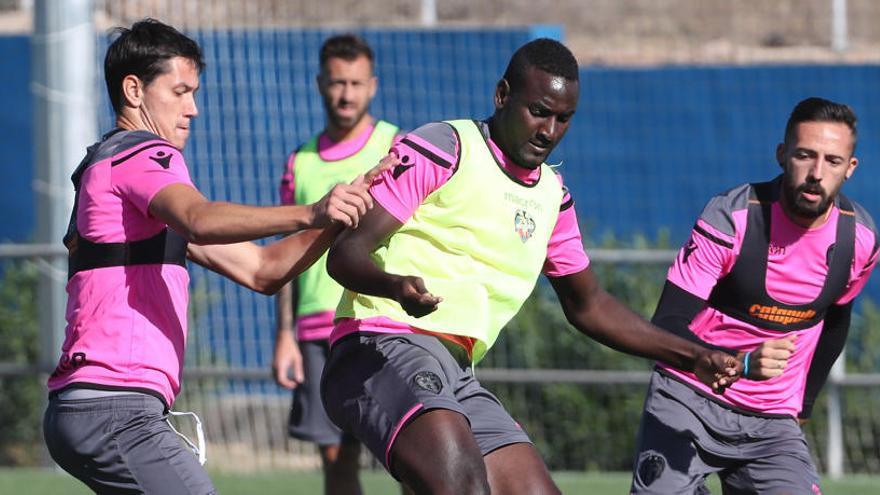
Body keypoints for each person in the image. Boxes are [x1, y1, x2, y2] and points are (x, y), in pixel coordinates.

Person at [321, 38, 742, 494]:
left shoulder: (552, 198)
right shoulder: (446, 147)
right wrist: (395, 285)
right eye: (539, 111)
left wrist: (692, 355)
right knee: (461, 483)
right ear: (503, 95)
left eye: (564, 118)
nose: (549, 130)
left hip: (456, 372)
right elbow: (345, 253)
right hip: (377, 347)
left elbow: (591, 306)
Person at [42, 19, 393, 495]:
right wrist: (311, 209)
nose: (194, 109)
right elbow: (202, 218)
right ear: (133, 90)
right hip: (114, 408)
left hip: (100, 406)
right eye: (181, 91)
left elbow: (262, 270)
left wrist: (339, 214)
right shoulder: (141, 155)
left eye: (195, 92)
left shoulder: (133, 187)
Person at [630, 97, 879, 494]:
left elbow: (836, 320)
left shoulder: (860, 240)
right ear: (782, 155)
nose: (816, 173)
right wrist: (740, 363)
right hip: (688, 398)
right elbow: (668, 322)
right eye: (804, 155)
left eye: (832, 161)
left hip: (772, 420)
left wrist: (804, 406)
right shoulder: (731, 217)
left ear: (850, 169)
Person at [272, 34, 400, 495]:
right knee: (336, 461)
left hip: (381, 326)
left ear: (372, 86)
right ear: (319, 84)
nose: (345, 94)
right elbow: (284, 253)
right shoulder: (300, 161)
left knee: (412, 457)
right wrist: (284, 334)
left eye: (355, 83)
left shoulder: (396, 148)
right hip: (316, 334)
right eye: (336, 83)